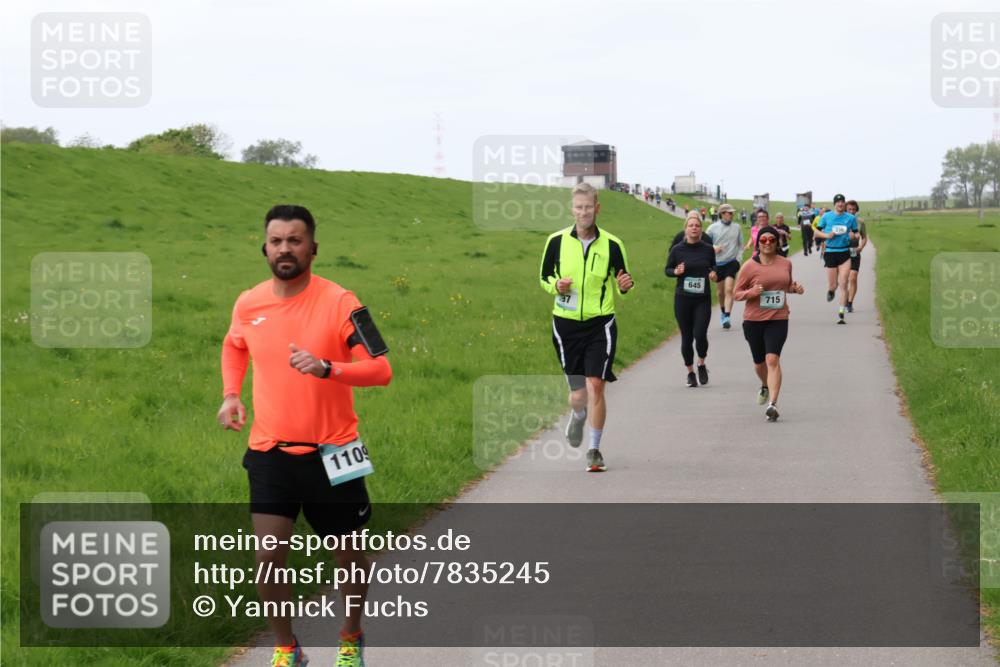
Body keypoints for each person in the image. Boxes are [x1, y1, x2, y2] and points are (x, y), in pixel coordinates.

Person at [218, 204, 393, 667]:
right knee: (269, 557)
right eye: (276, 241)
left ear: (313, 248)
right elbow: (234, 345)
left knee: (350, 556)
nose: (285, 249)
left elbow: (381, 370)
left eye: (295, 240)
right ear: (265, 248)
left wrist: (328, 368)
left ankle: (351, 638)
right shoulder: (249, 302)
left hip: (337, 449)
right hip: (270, 450)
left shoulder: (341, 302)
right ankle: (286, 649)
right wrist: (231, 394)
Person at [539, 182, 634, 472]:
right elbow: (544, 278)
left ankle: (594, 449)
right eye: (579, 207)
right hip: (565, 325)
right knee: (578, 394)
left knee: (597, 385)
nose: (584, 212)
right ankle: (578, 415)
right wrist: (555, 285)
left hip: (600, 323)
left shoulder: (613, 244)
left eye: (588, 207)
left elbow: (624, 282)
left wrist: (626, 286)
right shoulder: (556, 241)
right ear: (572, 209)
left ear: (597, 208)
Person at [733, 226, 805, 421]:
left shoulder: (785, 263)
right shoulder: (749, 266)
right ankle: (765, 385)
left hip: (778, 318)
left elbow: (786, 285)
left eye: (771, 240)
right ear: (758, 243)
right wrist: (751, 293)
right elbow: (736, 294)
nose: (767, 243)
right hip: (753, 320)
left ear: (777, 242)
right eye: (763, 240)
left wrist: (795, 288)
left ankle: (773, 404)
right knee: (759, 364)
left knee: (772, 360)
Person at [666, 212, 718, 386]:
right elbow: (667, 269)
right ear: (686, 229)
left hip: (702, 299)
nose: (694, 228)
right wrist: (676, 272)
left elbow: (714, 266)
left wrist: (713, 273)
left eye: (697, 226)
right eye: (691, 225)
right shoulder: (677, 250)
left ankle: (701, 363)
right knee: (687, 337)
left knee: (700, 334)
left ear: (701, 230)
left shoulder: (708, 249)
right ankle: (690, 372)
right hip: (683, 299)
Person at [814, 194, 860, 324]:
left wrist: (853, 236)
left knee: (844, 282)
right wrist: (827, 235)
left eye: (842, 202)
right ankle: (831, 291)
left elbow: (856, 233)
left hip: (844, 253)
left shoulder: (850, 218)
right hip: (830, 253)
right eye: (838, 202)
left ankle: (841, 313)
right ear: (834, 204)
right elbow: (816, 232)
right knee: (833, 285)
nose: (840, 204)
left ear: (844, 204)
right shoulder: (827, 217)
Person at [706, 203, 743, 329]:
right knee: (720, 292)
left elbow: (740, 245)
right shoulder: (712, 228)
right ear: (722, 214)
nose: (732, 215)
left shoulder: (737, 227)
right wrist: (713, 248)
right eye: (730, 213)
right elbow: (703, 244)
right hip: (717, 264)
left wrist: (738, 259)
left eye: (732, 213)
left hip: (731, 262)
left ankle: (727, 316)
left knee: (729, 289)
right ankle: (723, 312)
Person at [845, 200, 868, 313]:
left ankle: (849, 303)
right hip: (842, 252)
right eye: (849, 209)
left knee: (853, 278)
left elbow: (864, 238)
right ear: (845, 209)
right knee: (844, 280)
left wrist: (861, 248)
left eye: (853, 209)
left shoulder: (860, 222)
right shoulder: (840, 221)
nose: (851, 211)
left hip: (854, 252)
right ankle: (844, 298)